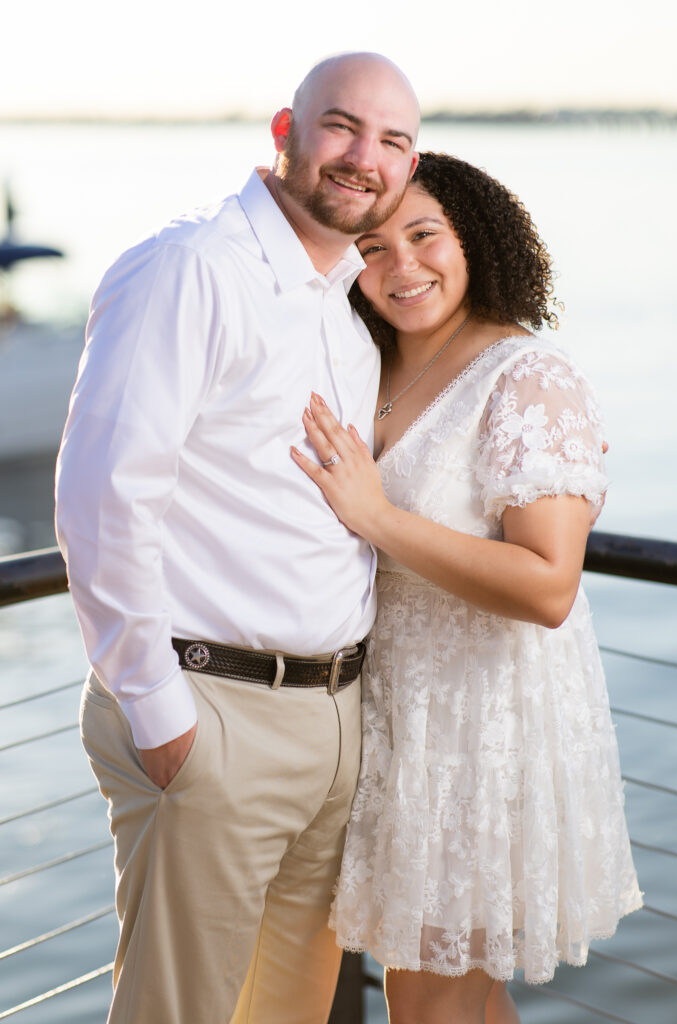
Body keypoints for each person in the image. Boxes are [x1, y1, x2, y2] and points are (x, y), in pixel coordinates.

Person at [55, 52, 420, 1024]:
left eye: (392, 140)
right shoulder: (191, 266)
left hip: (333, 719)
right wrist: (162, 716)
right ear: (283, 132)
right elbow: (103, 498)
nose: (364, 157)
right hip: (212, 711)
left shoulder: (344, 305)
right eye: (341, 126)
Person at [292, 152, 643, 1024]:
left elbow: (547, 585)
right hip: (393, 727)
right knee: (458, 996)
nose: (400, 267)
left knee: (424, 1001)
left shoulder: (527, 377)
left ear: (473, 240)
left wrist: (376, 517)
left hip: (482, 734)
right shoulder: (365, 366)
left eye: (423, 235)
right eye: (371, 247)